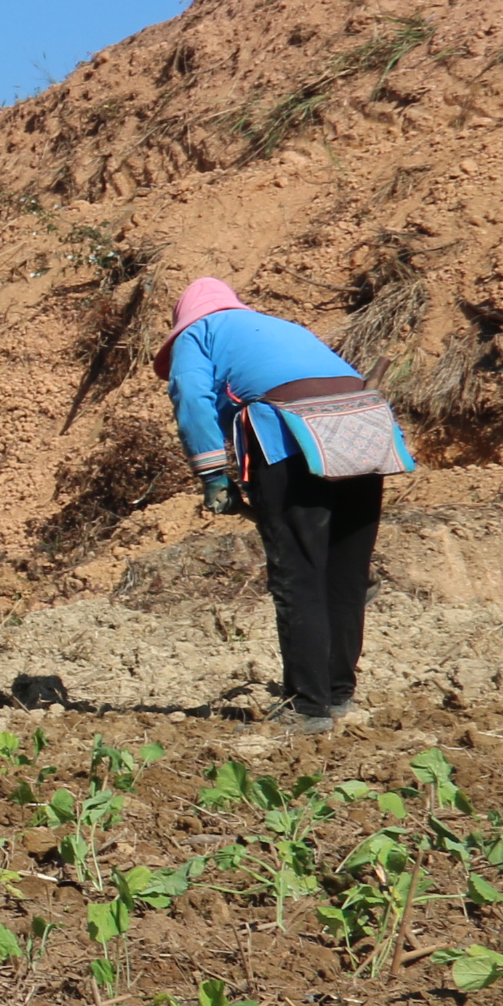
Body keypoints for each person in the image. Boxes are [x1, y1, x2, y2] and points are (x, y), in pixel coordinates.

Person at [158, 276, 399, 735]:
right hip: (364, 429)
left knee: (299, 573)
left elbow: (191, 396)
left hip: (292, 435)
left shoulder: (198, 333)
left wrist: (212, 475)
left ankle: (307, 708)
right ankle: (336, 693)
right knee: (345, 574)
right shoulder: (280, 326)